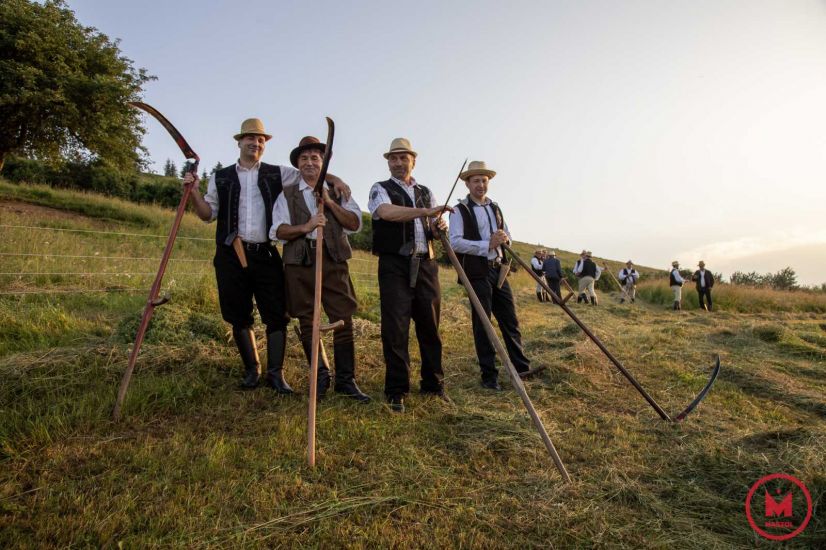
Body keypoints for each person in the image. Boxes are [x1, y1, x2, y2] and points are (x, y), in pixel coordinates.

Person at [182, 118, 349, 393]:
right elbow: (207, 214)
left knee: (276, 314)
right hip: (229, 254)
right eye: (251, 138)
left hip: (265, 252)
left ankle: (275, 375)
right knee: (238, 314)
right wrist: (192, 192)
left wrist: (336, 179)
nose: (256, 143)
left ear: (264, 144)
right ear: (240, 142)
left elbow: (312, 172)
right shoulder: (220, 177)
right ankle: (252, 370)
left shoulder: (278, 173)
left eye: (261, 140)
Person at [272, 136, 369, 402]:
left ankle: (346, 381)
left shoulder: (339, 191)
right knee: (306, 319)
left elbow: (354, 224)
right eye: (304, 158)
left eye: (315, 157)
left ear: (324, 162)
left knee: (343, 317)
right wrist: (306, 227)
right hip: (299, 263)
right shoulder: (287, 194)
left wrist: (329, 201)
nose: (310, 162)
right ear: (298, 165)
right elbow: (277, 230)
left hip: (333, 259)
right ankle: (320, 376)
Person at [367, 138, 452, 412]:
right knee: (396, 328)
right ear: (388, 162)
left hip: (426, 264)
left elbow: (436, 229)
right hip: (395, 265)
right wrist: (425, 212)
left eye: (404, 157)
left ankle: (433, 384)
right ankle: (396, 390)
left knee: (430, 326)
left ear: (413, 161)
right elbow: (385, 213)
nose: (398, 162)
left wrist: (439, 226)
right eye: (394, 158)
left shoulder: (426, 192)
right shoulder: (380, 189)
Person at [449, 160, 533, 390]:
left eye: (484, 181)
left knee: (510, 320)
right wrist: (487, 244)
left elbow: (508, 235)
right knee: (484, 323)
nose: (480, 185)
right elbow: (455, 242)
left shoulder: (495, 207)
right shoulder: (459, 210)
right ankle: (489, 377)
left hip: (499, 270)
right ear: (467, 183)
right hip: (477, 272)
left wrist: (505, 240)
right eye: (476, 180)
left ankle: (522, 368)